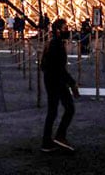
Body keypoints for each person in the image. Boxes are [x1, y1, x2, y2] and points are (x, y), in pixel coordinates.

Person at [40, 18, 79, 152]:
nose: (67, 30)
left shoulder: (52, 43)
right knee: (67, 108)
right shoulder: (56, 45)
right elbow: (59, 68)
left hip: (52, 80)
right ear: (57, 30)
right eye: (65, 28)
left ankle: (48, 141)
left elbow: (44, 66)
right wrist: (72, 83)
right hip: (56, 81)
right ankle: (58, 137)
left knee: (54, 111)